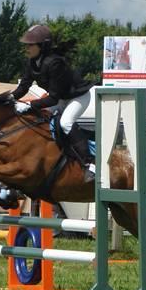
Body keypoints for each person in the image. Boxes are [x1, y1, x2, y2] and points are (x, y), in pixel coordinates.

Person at [11, 24, 96, 181]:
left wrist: (29, 105)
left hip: (78, 97)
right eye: (27, 45)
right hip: (61, 97)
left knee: (65, 123)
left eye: (31, 45)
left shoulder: (54, 63)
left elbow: (53, 98)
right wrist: (9, 98)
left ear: (42, 46)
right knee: (37, 118)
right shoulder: (32, 63)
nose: (27, 48)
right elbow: (24, 86)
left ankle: (90, 164)